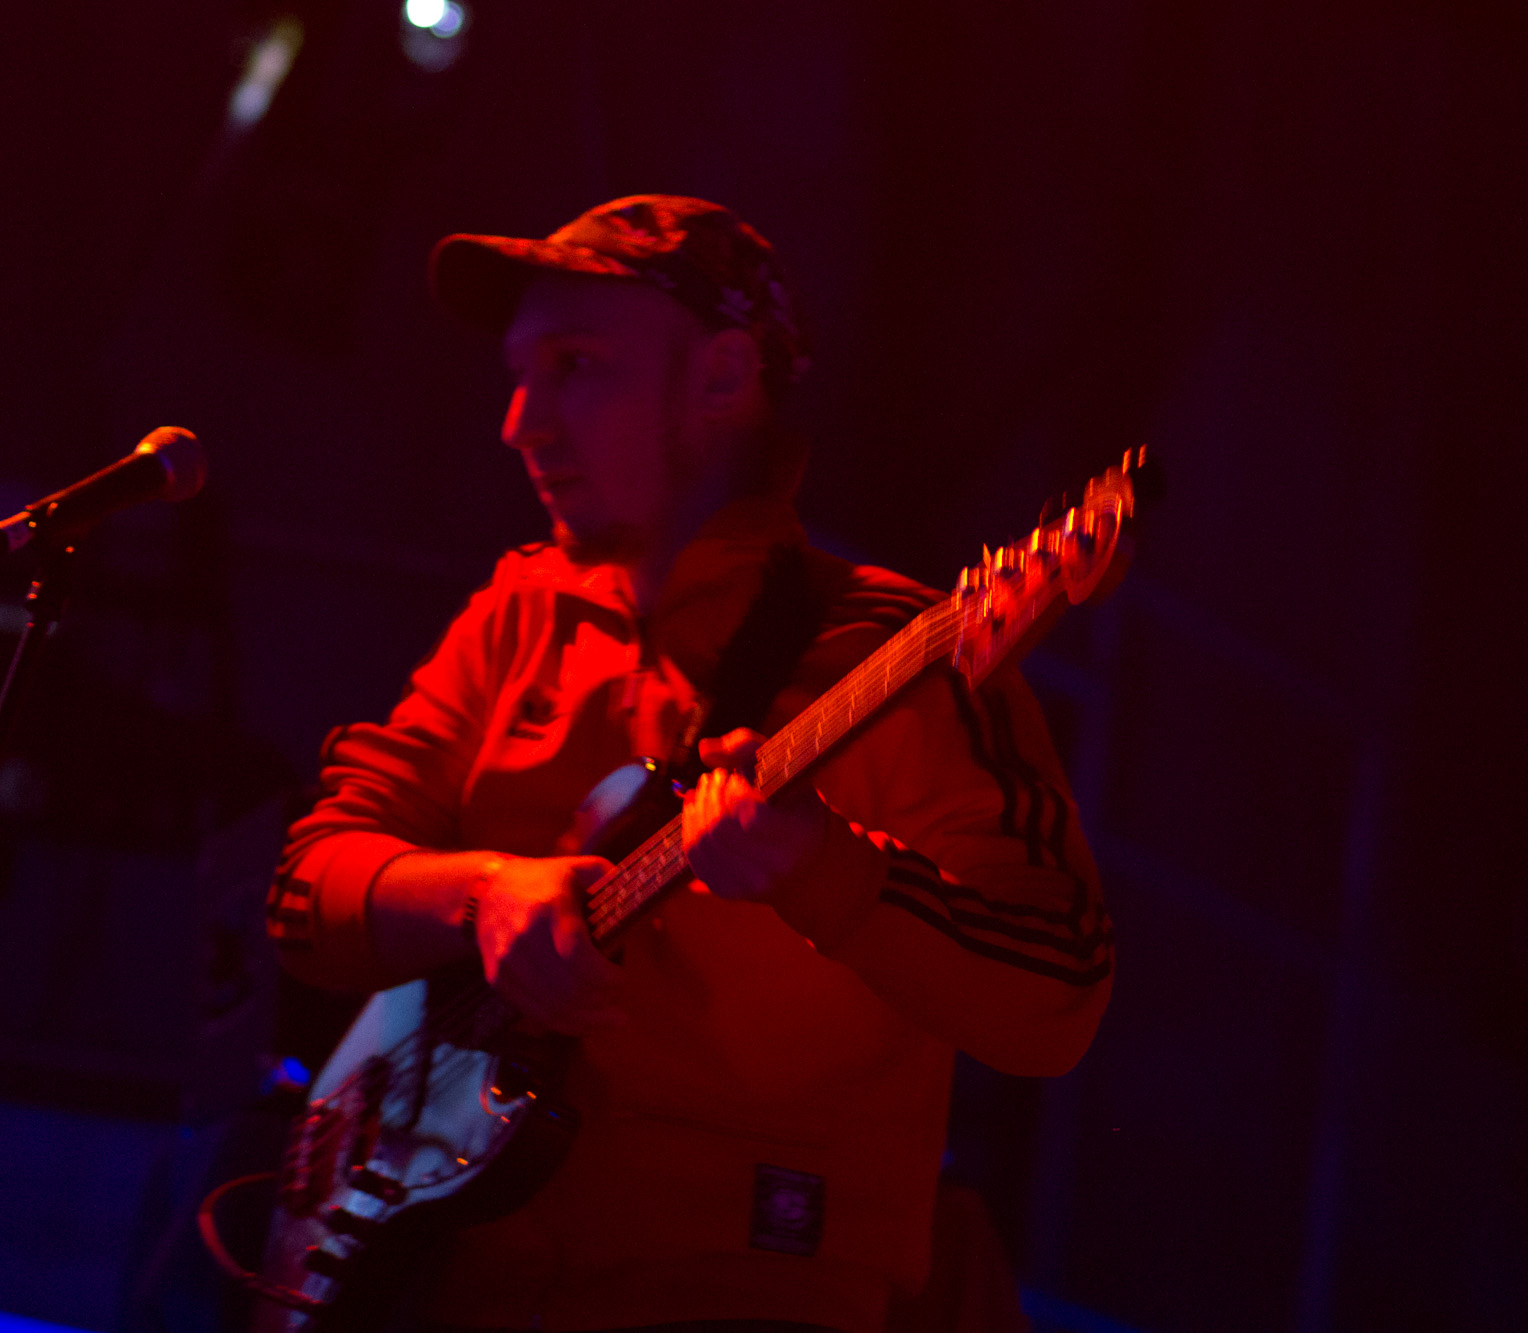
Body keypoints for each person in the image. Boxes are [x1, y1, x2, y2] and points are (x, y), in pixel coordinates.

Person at [266, 196, 1112, 1332]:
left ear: (720, 377)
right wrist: (483, 894)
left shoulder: (899, 654)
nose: (519, 423)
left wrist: (819, 866)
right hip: (454, 1285)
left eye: (575, 367)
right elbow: (307, 887)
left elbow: (1057, 997)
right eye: (519, 375)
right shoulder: (518, 614)